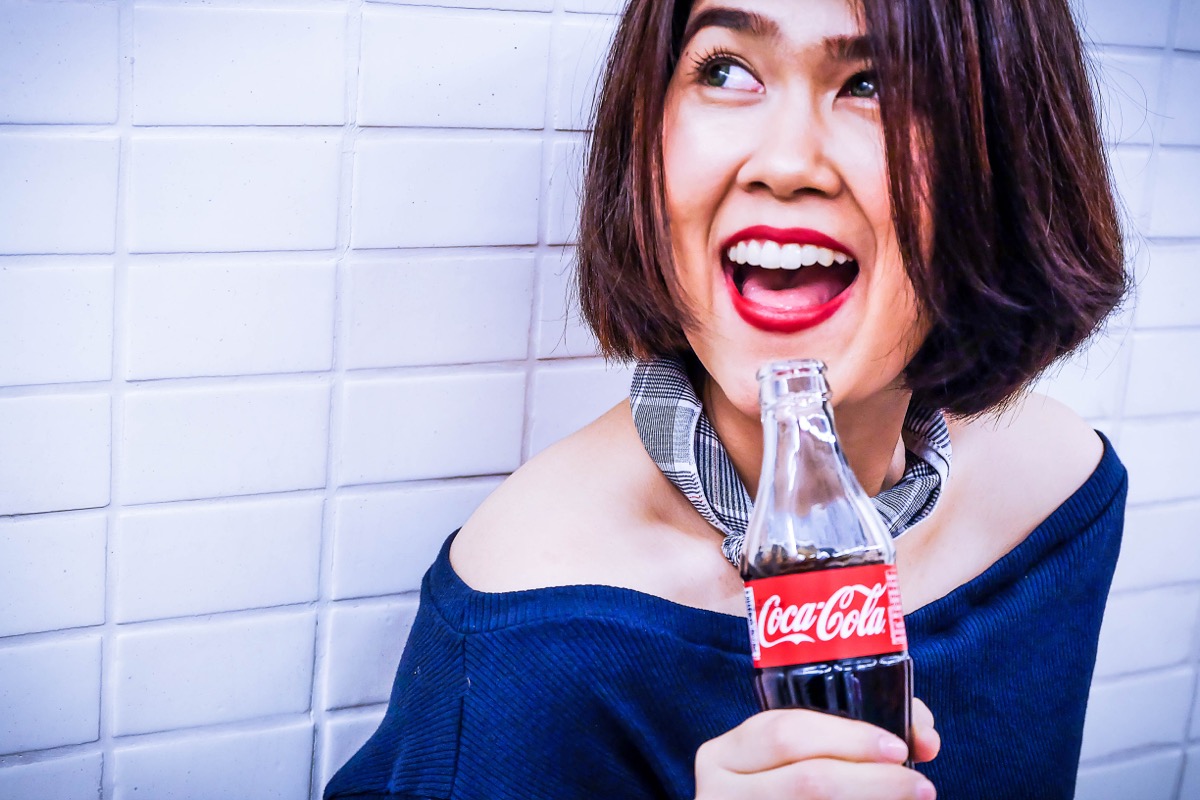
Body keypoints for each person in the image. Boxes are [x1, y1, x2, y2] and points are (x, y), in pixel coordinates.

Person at [325, 0, 1128, 797]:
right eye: (728, 71)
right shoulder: (530, 630)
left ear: (1007, 151)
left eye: (876, 83)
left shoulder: (1059, 501)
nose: (785, 161)